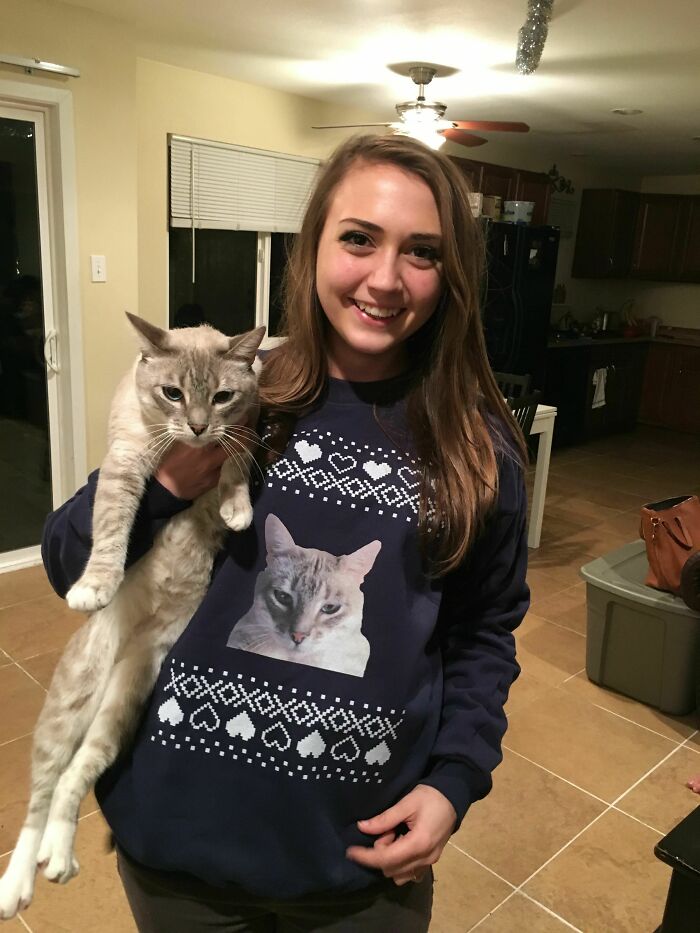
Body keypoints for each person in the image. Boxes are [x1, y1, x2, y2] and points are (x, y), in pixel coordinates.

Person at [41, 134, 530, 932]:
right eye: (359, 238)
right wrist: (166, 486)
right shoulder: (226, 400)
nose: (384, 278)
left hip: (358, 865)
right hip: (179, 849)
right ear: (313, 250)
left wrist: (454, 779)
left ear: (452, 278)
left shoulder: (478, 450)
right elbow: (69, 565)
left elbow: (484, 630)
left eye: (424, 253)